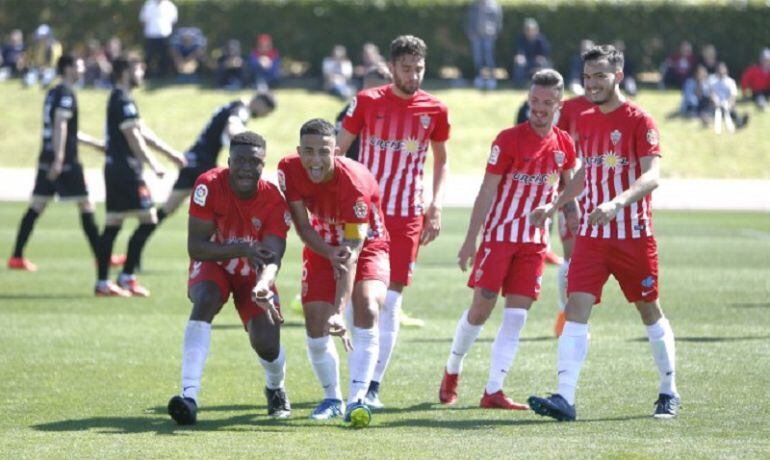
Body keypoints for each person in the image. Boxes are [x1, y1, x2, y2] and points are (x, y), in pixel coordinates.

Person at [527, 44, 681, 421]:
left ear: (618, 75)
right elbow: (584, 173)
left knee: (648, 309)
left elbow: (652, 176)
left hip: (633, 235)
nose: (592, 83)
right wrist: (557, 201)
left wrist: (616, 204)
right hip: (593, 238)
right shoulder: (587, 119)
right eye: (588, 77)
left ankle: (669, 390)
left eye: (600, 76)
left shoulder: (640, 120)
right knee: (575, 306)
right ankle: (565, 398)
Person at [438, 69, 577, 410]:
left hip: (533, 244)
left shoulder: (564, 145)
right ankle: (452, 369)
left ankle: (493, 391)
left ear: (559, 104)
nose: (539, 108)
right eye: (534, 101)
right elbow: (486, 191)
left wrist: (564, 213)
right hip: (499, 238)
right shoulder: (508, 139)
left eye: (547, 102)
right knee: (481, 309)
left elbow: (570, 190)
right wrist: (471, 240)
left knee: (516, 316)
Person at [337, 35, 450, 409]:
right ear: (391, 67)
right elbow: (339, 151)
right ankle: (356, 377)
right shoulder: (367, 102)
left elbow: (441, 159)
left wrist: (435, 206)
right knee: (357, 296)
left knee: (392, 300)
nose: (413, 75)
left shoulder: (434, 109)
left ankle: (372, 386)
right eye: (406, 68)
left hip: (406, 217)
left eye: (419, 68)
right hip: (361, 212)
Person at [167, 131, 292, 425]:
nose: (247, 167)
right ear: (228, 161)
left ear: (264, 164)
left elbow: (273, 256)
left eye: (255, 161)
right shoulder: (208, 185)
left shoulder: (274, 199)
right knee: (206, 300)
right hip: (216, 263)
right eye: (240, 160)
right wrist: (240, 248)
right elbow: (195, 247)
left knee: (267, 344)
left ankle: (275, 388)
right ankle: (189, 396)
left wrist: (263, 284)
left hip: (255, 274)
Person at [278, 118, 390, 427]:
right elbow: (301, 225)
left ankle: (357, 400)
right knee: (315, 320)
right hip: (321, 241)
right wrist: (327, 252)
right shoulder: (287, 169)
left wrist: (341, 310)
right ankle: (331, 397)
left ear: (337, 151)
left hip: (367, 244)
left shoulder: (354, 185)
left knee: (366, 306)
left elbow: (351, 251)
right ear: (299, 151)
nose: (315, 161)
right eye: (308, 152)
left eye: (323, 152)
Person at [8, 55, 110, 272]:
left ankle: (16, 256)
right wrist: (60, 158)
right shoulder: (66, 93)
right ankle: (102, 256)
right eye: (80, 65)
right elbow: (60, 125)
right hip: (64, 161)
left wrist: (94, 144)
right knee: (86, 204)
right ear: (68, 68)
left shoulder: (53, 92)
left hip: (47, 155)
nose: (83, 69)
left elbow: (66, 130)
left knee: (37, 205)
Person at [95, 55, 186, 297]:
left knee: (114, 223)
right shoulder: (122, 98)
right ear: (125, 71)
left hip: (117, 169)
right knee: (148, 220)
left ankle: (105, 282)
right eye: (139, 68)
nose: (142, 73)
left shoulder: (122, 98)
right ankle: (125, 277)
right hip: (126, 171)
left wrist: (170, 154)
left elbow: (143, 131)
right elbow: (133, 137)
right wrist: (154, 164)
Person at [551, 93, 593, 336]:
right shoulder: (569, 108)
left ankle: (579, 317)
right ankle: (566, 316)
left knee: (593, 261)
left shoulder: (618, 110)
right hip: (573, 191)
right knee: (572, 256)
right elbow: (556, 149)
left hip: (604, 194)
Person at [335, 66, 391, 162]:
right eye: (372, 91)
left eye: (382, 92)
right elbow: (338, 147)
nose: (376, 97)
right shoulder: (351, 111)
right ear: (364, 87)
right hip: (357, 166)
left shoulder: (396, 113)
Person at [466, 0, 503, 90]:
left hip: (489, 36)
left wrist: (496, 33)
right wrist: (470, 32)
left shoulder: (494, 5)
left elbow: (498, 20)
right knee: (478, 58)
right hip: (476, 36)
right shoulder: (474, 5)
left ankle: (492, 79)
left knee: (489, 57)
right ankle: (480, 78)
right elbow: (469, 19)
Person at [139, 0, 178, 78]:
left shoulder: (170, 5)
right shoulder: (148, 4)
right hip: (151, 35)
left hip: (165, 35)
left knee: (164, 56)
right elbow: (143, 20)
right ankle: (147, 74)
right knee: (148, 56)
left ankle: (163, 74)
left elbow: (173, 21)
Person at [709, 62, 749, 133]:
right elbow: (712, 94)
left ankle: (740, 122)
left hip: (727, 104)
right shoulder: (712, 82)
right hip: (716, 105)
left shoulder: (731, 82)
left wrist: (729, 104)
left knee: (733, 112)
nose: (721, 71)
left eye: (722, 69)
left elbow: (733, 95)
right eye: (719, 69)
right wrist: (715, 102)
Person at [512, 18, 551, 88]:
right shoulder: (521, 39)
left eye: (532, 30)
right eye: (528, 29)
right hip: (526, 61)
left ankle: (543, 84)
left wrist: (541, 58)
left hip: (537, 61)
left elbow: (545, 54)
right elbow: (520, 52)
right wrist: (520, 57)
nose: (530, 32)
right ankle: (519, 84)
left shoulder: (541, 40)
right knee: (519, 63)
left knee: (544, 64)